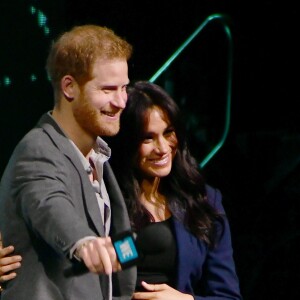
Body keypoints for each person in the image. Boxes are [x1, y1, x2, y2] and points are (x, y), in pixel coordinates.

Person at [0, 25, 136, 300]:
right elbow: (49, 202)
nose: (121, 101)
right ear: (69, 87)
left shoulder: (98, 158)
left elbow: (116, 241)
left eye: (124, 88)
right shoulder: (37, 149)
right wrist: (82, 242)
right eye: (108, 89)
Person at [108, 80, 243, 299]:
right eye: (148, 138)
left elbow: (227, 295)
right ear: (127, 142)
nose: (162, 148)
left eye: (168, 132)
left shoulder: (205, 201)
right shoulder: (103, 198)